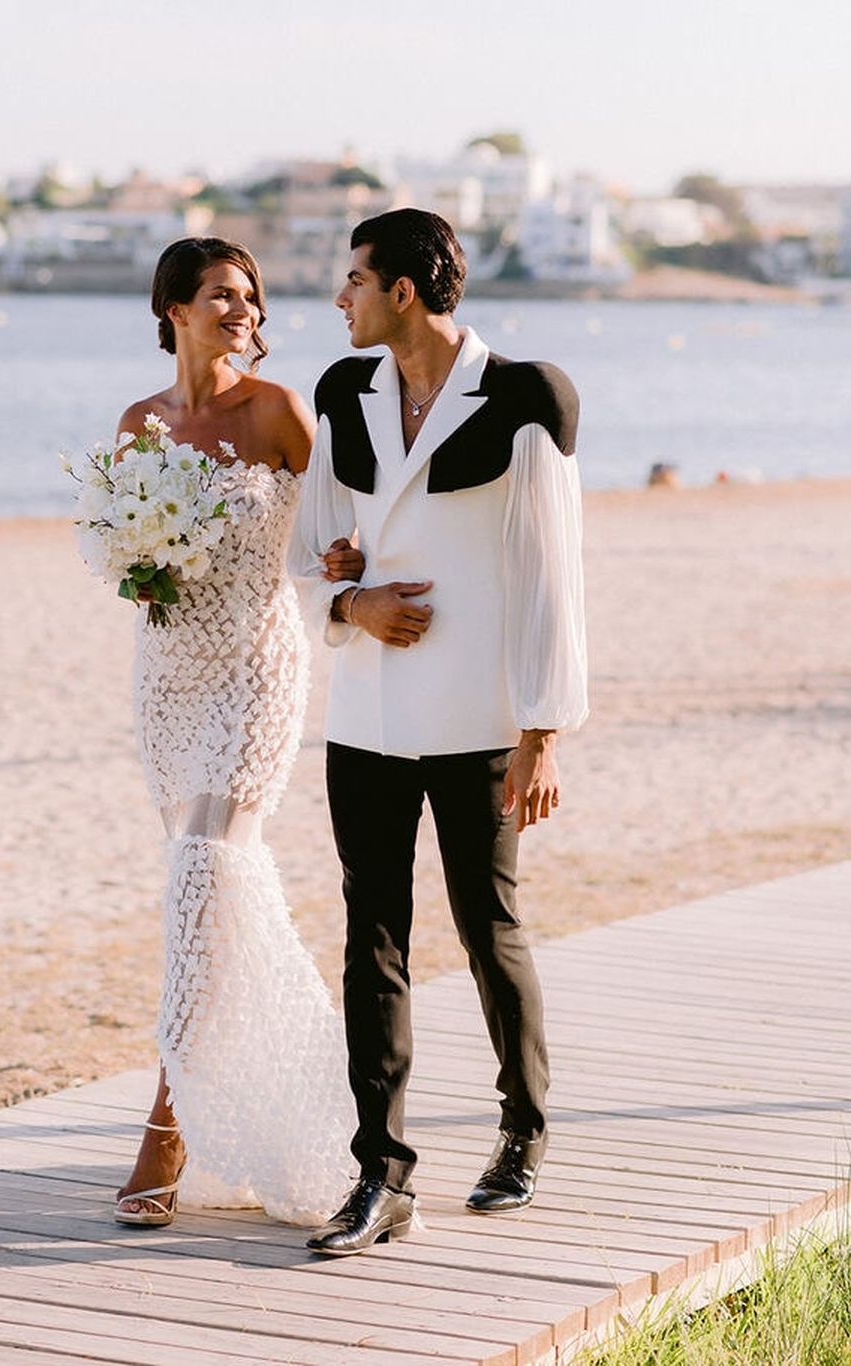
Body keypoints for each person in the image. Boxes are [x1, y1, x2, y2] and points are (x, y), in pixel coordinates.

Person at [287, 208, 589, 1257]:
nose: (341, 298)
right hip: (368, 713)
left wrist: (544, 730)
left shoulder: (526, 395)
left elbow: (553, 573)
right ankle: (383, 1174)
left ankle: (523, 1131)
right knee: (370, 939)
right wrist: (350, 601)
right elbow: (309, 548)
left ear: (402, 292)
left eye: (355, 279)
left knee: (486, 927)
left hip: (478, 717)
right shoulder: (344, 392)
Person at [110, 236, 358, 1228]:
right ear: (175, 308)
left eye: (250, 296)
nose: (244, 310)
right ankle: (244, 1098)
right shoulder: (140, 423)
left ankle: (165, 1128)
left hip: (256, 668)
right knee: (209, 897)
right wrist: (139, 564)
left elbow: (345, 522)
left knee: (204, 871)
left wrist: (351, 573)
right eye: (222, 294)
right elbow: (126, 552)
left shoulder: (278, 411)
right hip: (167, 677)